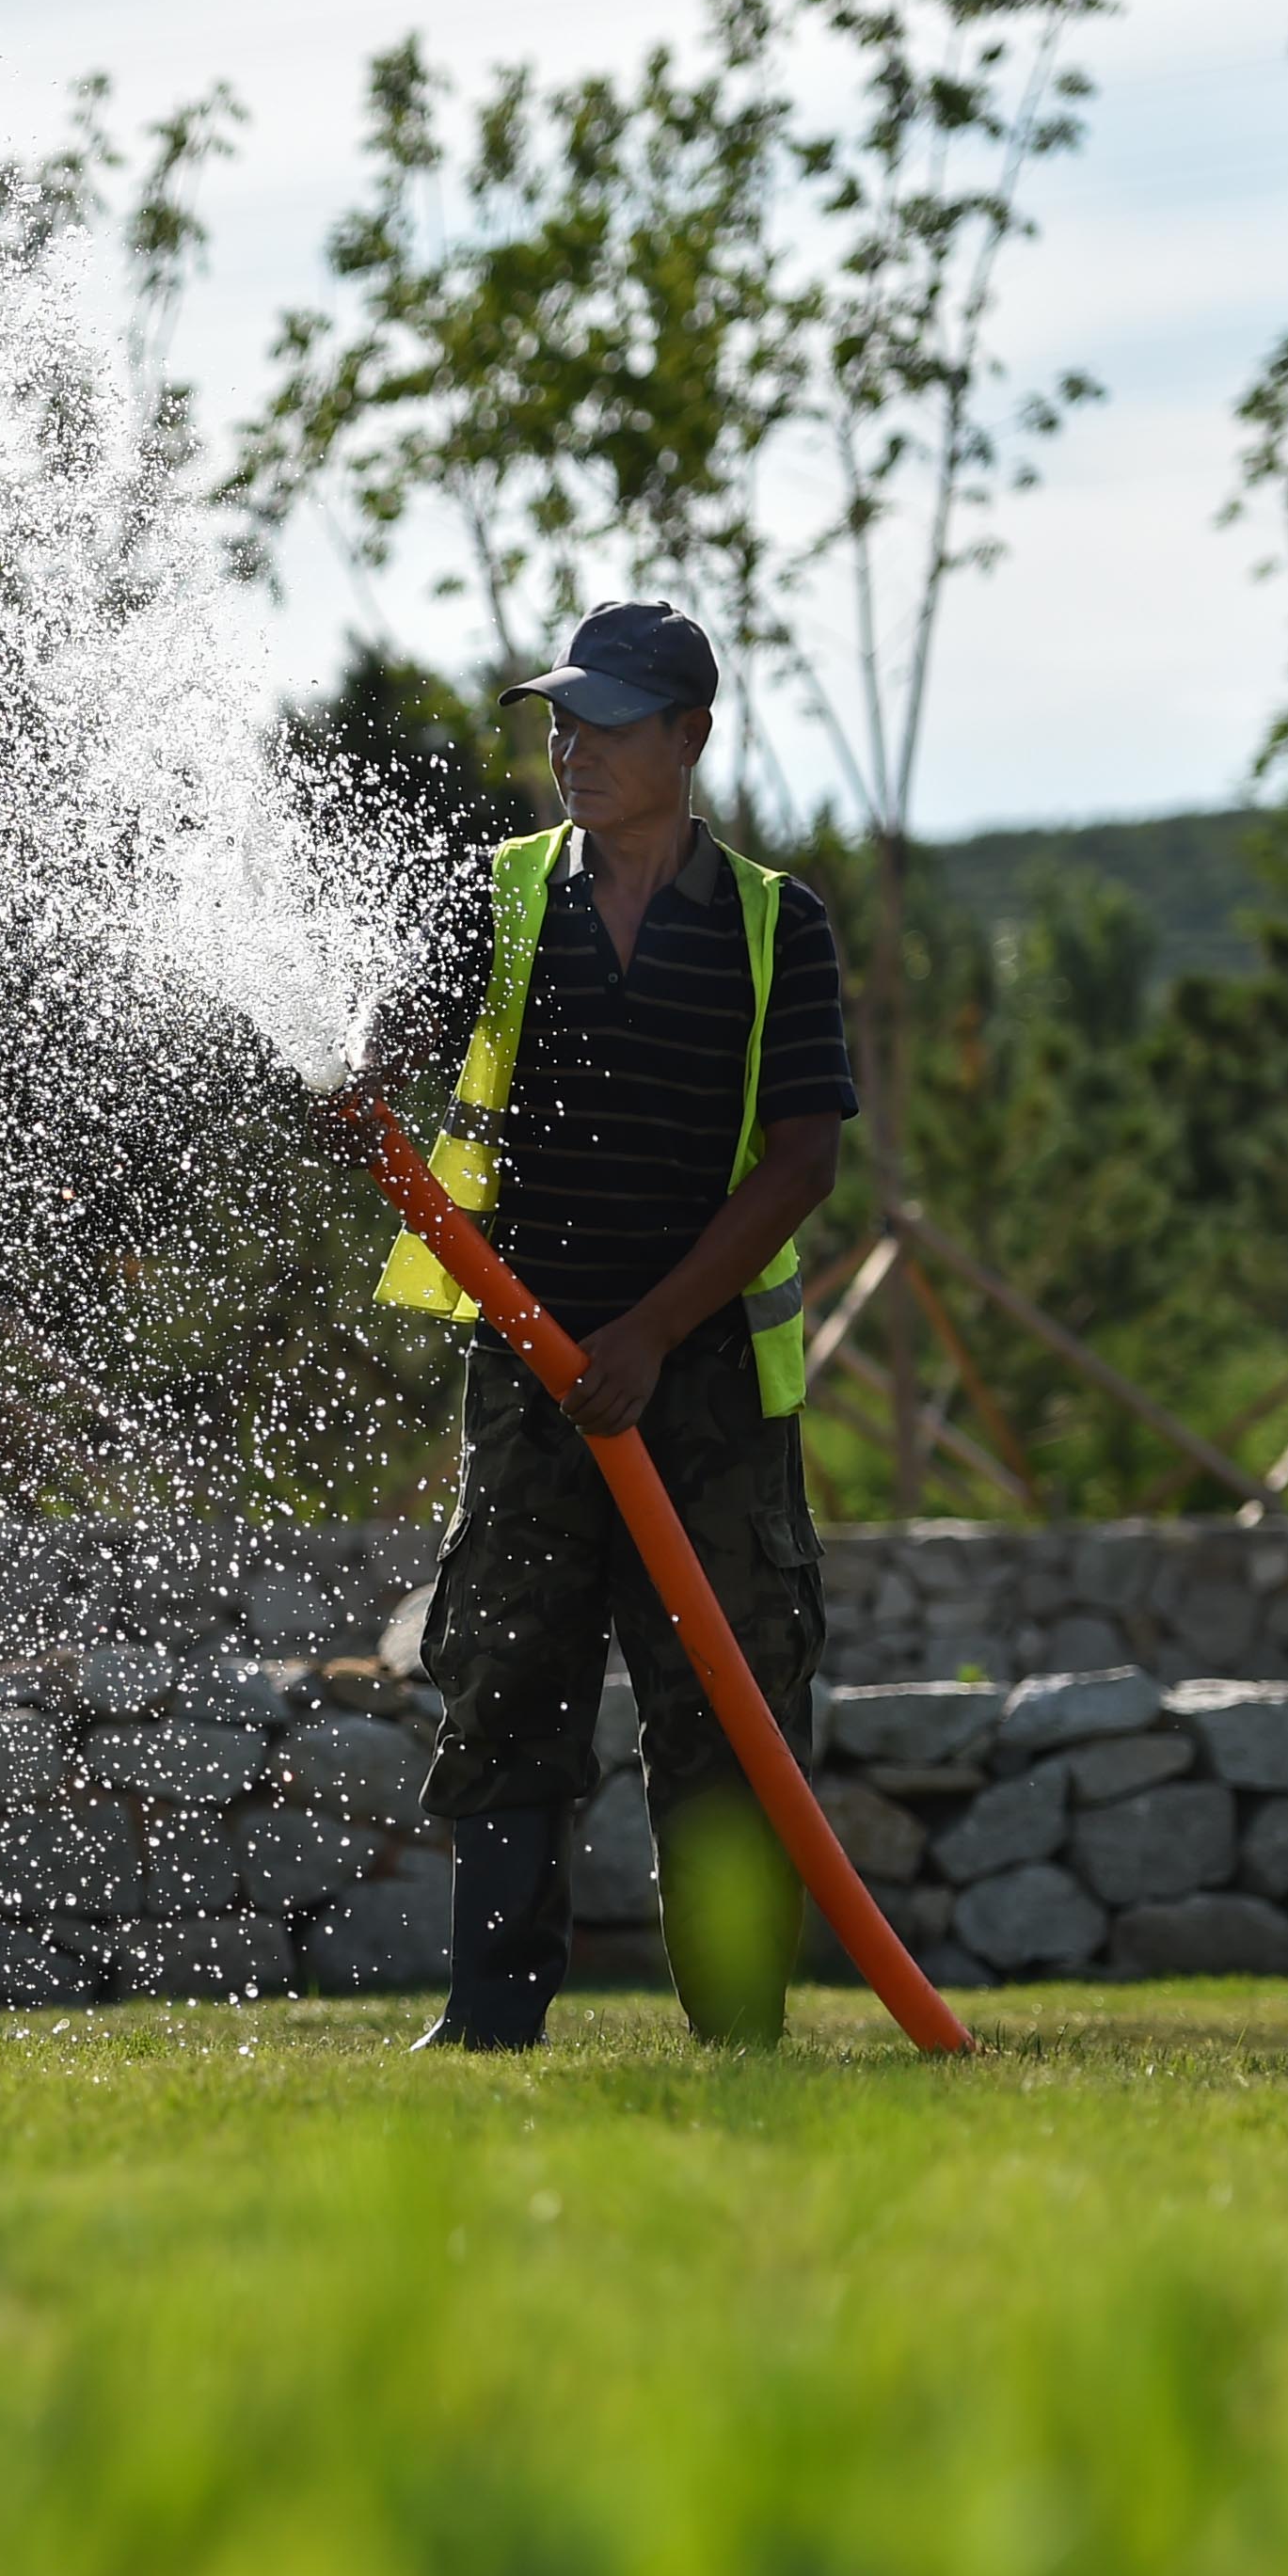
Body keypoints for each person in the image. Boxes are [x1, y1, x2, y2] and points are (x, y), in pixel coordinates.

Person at [363, 598, 854, 2050]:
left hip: (702, 1392)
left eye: (607, 721)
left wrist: (646, 1336)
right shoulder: (499, 897)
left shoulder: (778, 927)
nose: (570, 745)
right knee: (510, 1680)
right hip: (532, 1377)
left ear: (690, 736)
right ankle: (487, 2020)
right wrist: (343, 1065)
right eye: (560, 718)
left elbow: (803, 1161)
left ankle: (742, 2028)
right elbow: (394, 1051)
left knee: (728, 1706)